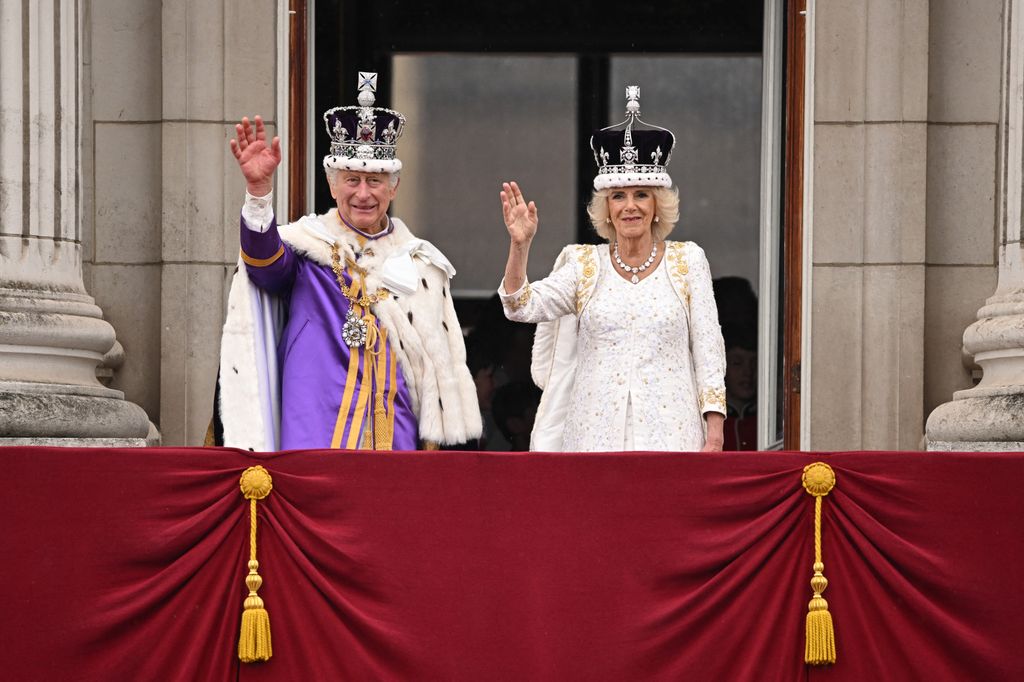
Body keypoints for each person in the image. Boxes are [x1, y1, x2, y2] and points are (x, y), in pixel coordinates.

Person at [216, 72, 481, 451]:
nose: (362, 193)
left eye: (375, 181)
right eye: (351, 179)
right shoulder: (309, 249)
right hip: (314, 433)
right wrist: (259, 193)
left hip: (396, 435)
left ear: (394, 187)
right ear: (332, 184)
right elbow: (265, 266)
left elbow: (436, 373)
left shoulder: (421, 264)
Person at [497, 85, 726, 452]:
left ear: (657, 204)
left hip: (673, 438)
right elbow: (520, 305)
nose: (629, 206)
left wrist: (714, 432)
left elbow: (709, 351)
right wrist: (520, 245)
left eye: (641, 194)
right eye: (618, 196)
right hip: (593, 439)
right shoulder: (583, 265)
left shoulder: (688, 261)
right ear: (606, 207)